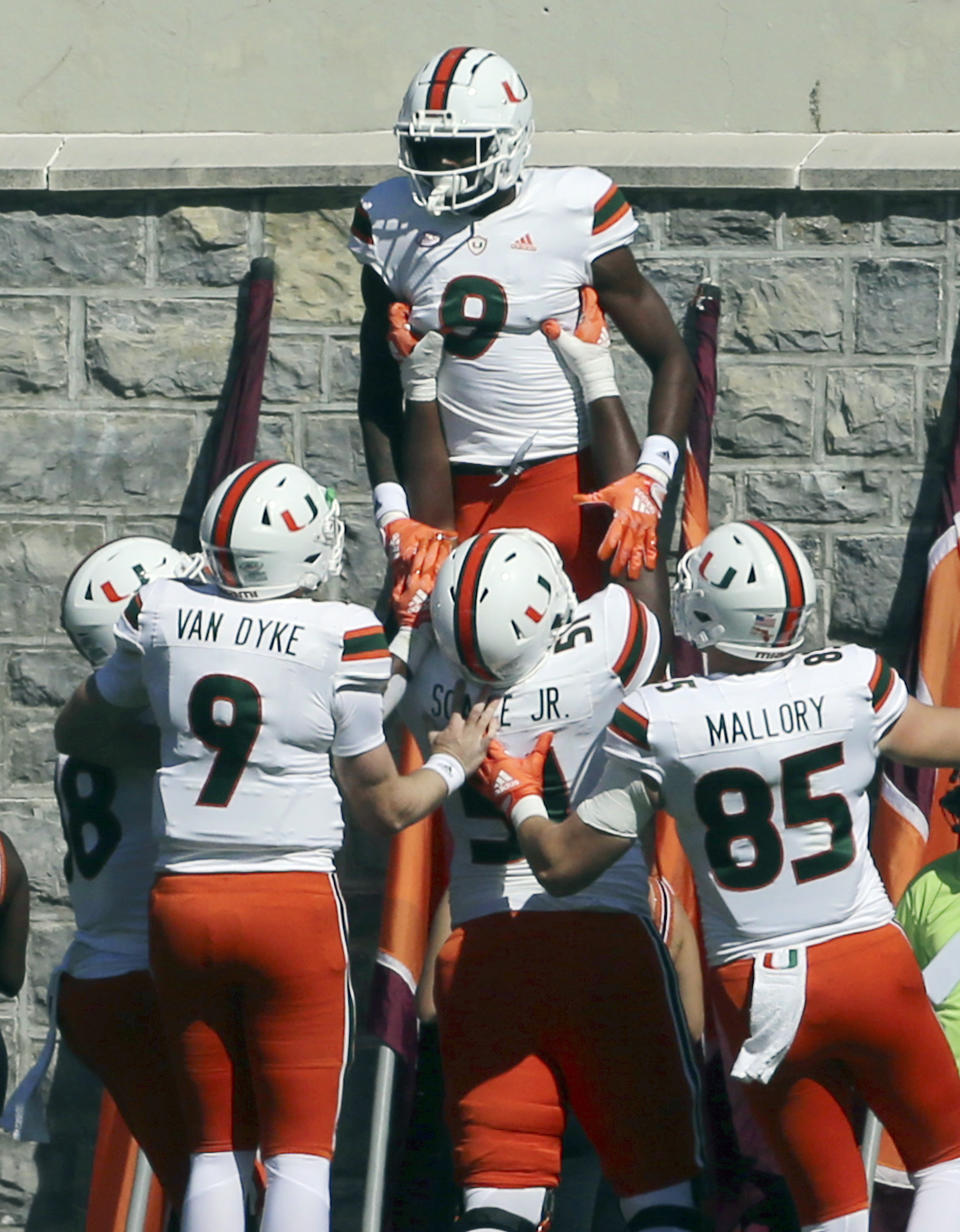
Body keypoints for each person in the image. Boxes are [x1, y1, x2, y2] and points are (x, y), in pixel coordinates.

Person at [476, 519, 960, 1232]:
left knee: (832, 1209)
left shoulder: (659, 718)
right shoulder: (851, 678)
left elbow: (562, 863)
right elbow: (939, 733)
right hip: (866, 958)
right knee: (947, 1159)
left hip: (757, 985)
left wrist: (517, 794)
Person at [53, 460, 500, 1232]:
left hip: (181, 904)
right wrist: (454, 759)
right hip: (289, 904)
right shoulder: (340, 633)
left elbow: (80, 726)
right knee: (298, 1154)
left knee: (212, 1152)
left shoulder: (161, 609)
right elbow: (384, 808)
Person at [398, 527, 705, 1232]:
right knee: (657, 1187)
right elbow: (637, 595)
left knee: (497, 1195)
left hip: (482, 954)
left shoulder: (429, 686)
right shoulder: (604, 646)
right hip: (601, 939)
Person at [349, 45, 695, 602]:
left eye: (456, 149)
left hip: (577, 480)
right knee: (428, 666)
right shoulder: (388, 218)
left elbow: (672, 358)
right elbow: (377, 390)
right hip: (451, 488)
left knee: (637, 656)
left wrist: (650, 478)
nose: (438, 168)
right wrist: (392, 510)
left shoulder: (573, 208)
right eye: (426, 148)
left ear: (510, 143)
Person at [54, 537, 198, 1216]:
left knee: (200, 1181)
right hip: (147, 983)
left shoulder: (90, 729)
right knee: (223, 1181)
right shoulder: (163, 727)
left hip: (99, 979)